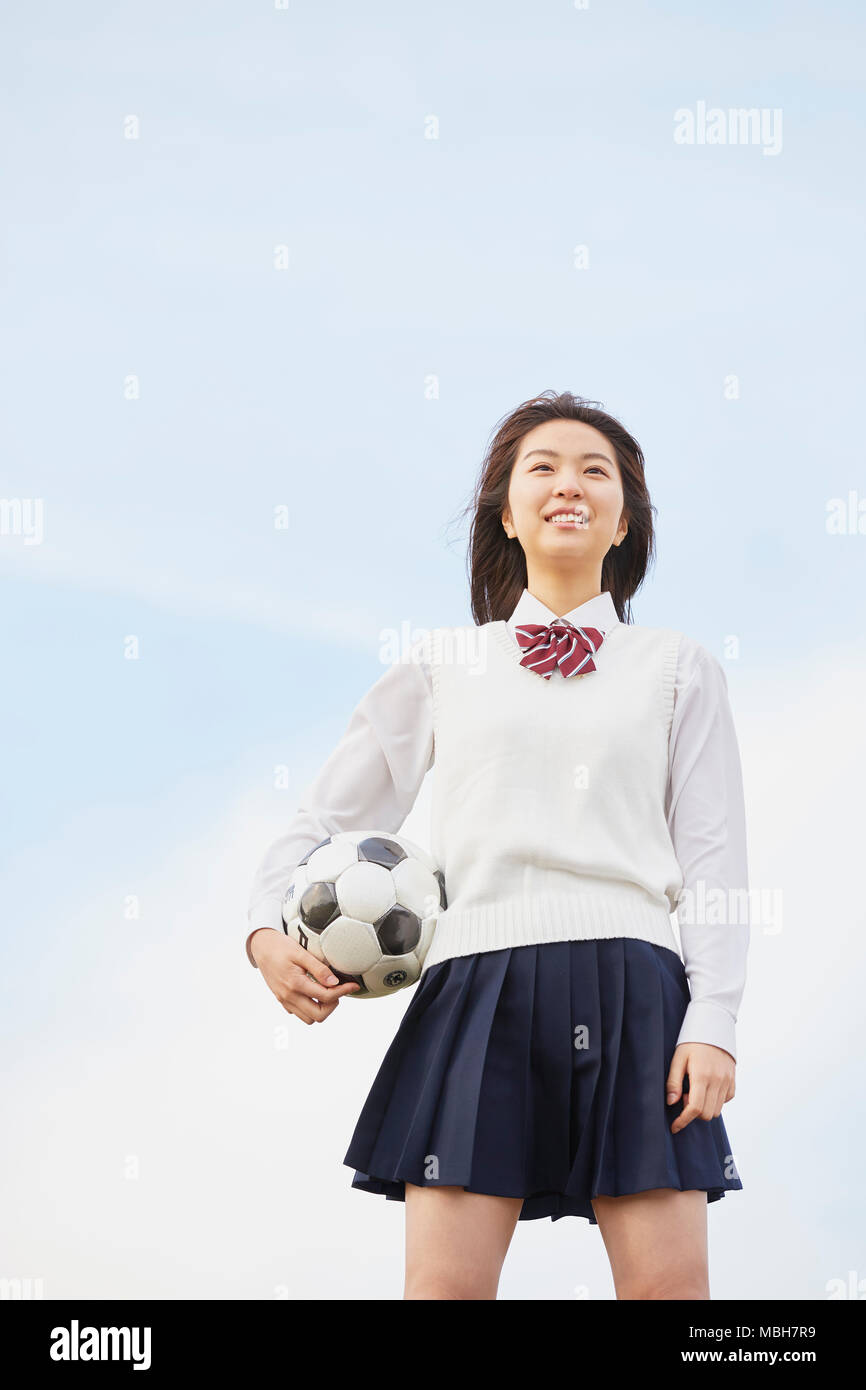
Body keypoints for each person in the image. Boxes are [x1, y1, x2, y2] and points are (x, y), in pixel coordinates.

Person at [245, 390, 750, 1300]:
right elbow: (319, 823)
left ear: (624, 519)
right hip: (478, 990)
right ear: (506, 515)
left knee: (673, 1303)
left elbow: (714, 861)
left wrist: (714, 1019)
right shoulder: (443, 665)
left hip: (641, 993)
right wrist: (263, 934)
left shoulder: (679, 667)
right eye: (542, 469)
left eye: (596, 471)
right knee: (445, 1295)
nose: (570, 485)